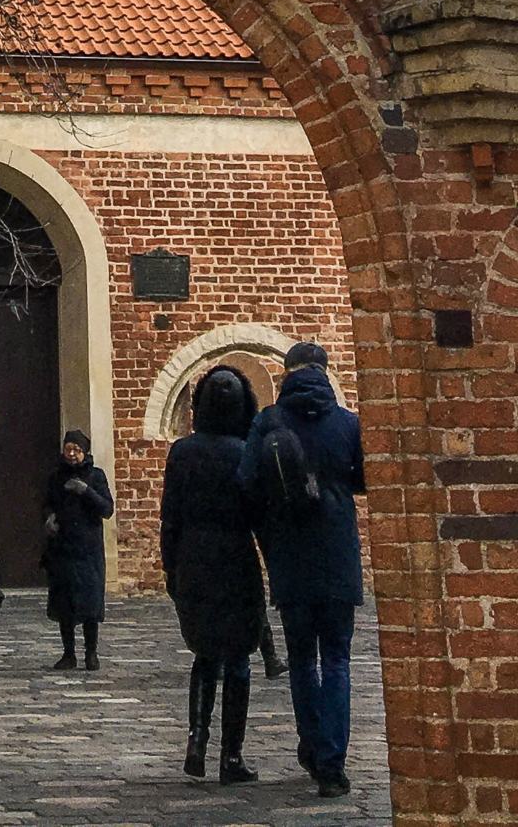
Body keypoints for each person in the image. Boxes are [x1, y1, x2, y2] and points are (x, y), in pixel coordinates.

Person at [241, 341, 365, 800]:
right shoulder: (348, 423)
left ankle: (312, 746)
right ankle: (332, 763)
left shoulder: (268, 421)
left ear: (287, 372)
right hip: (337, 553)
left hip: (289, 554)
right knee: (337, 659)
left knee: (301, 659)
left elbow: (247, 481)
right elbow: (364, 479)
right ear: (325, 372)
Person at [160, 365, 266, 784]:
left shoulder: (182, 453)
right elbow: (260, 517)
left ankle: (197, 741)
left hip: (194, 559)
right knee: (238, 658)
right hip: (235, 558)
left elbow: (170, 518)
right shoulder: (245, 452)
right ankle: (231, 756)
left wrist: (171, 566)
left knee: (205, 655)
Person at [40, 427, 114, 669]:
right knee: (65, 604)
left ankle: (91, 653)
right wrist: (49, 517)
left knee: (90, 604)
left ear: (85, 452)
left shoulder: (96, 476)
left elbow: (107, 508)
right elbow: (47, 503)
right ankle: (68, 653)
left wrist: (86, 491)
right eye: (68, 449)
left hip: (88, 550)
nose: (72, 454)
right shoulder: (56, 477)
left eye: (77, 450)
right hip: (63, 548)